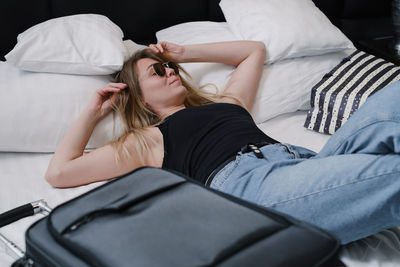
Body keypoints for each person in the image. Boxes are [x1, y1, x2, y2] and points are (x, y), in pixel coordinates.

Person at [45, 41, 400, 245]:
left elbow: (253, 51)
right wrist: (93, 112)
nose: (169, 71)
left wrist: (182, 54)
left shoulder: (226, 104)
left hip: (307, 164)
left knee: (392, 98)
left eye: (169, 66)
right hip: (252, 189)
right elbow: (60, 173)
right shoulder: (148, 140)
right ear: (137, 95)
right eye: (157, 70)